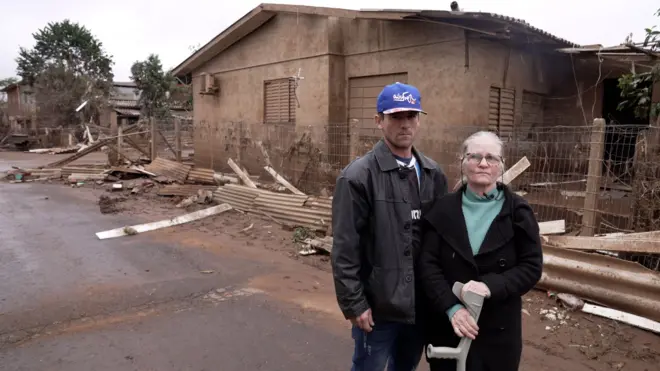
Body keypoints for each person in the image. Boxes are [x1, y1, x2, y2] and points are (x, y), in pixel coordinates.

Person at [331, 82, 448, 371]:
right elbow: (345, 248)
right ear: (379, 121)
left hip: (420, 305)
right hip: (378, 307)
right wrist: (355, 304)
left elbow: (441, 240)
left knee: (405, 367)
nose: (405, 124)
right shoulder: (357, 177)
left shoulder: (433, 174)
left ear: (419, 120)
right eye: (396, 116)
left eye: (411, 116)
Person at [419, 131, 543, 371]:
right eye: (474, 156)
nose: (483, 163)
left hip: (498, 332)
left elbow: (531, 267)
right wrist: (451, 308)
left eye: (491, 158)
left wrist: (489, 286)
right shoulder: (441, 210)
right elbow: (428, 265)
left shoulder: (518, 212)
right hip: (449, 325)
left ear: (501, 165)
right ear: (462, 162)